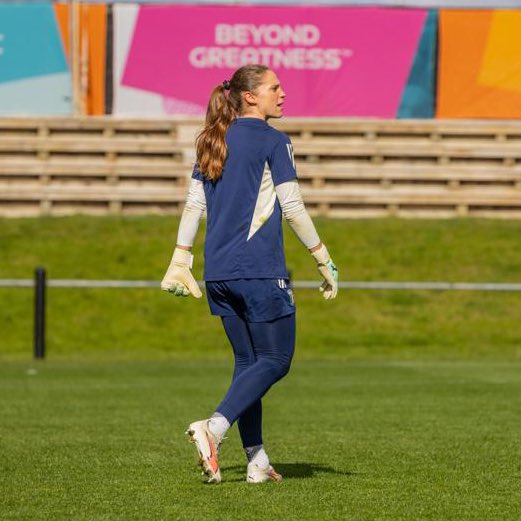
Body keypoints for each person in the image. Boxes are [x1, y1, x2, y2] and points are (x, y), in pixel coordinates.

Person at [161, 64, 338, 484]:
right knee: (276, 360)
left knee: (248, 364)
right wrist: (322, 257)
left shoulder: (211, 138)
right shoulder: (274, 141)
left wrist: (181, 257)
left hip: (218, 272)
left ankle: (256, 462)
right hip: (259, 270)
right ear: (251, 97)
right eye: (275, 87)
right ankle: (214, 428)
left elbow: (193, 205)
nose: (283, 93)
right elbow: (292, 207)